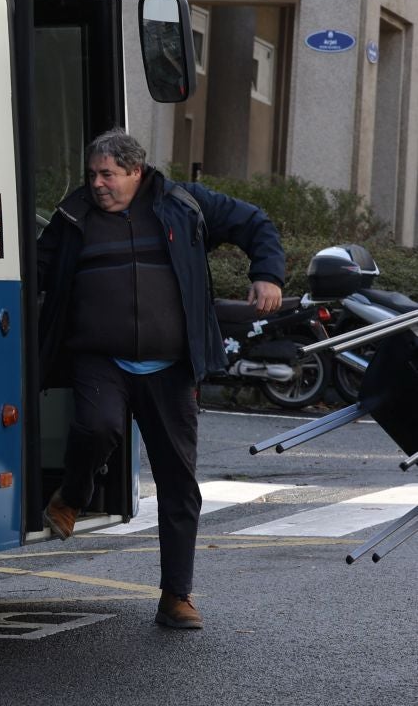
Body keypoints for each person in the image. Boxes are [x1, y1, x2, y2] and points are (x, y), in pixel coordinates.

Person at [36, 128, 284, 630]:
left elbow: (256, 223)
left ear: (136, 171)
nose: (98, 184)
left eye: (107, 174)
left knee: (177, 483)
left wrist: (268, 273)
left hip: (169, 368)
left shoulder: (183, 204)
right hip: (98, 358)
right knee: (96, 428)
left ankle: (177, 596)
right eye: (92, 174)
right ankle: (74, 494)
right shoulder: (74, 214)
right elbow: (37, 269)